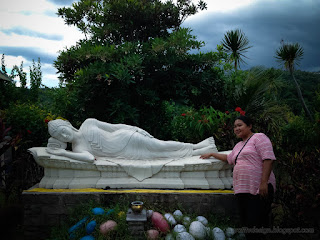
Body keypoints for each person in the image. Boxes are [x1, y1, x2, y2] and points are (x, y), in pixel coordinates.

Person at [200, 115, 276, 235]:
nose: (236, 129)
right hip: (242, 190)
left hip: (258, 189)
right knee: (246, 223)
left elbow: (268, 158)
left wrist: (263, 182)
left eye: (240, 125)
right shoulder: (238, 145)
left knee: (256, 224)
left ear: (249, 126)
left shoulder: (259, 137)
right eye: (235, 126)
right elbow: (229, 158)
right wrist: (213, 154)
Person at [46, 118, 217, 162]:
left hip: (127, 137)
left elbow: (114, 126)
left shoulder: (88, 123)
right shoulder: (77, 149)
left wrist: (134, 128)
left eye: (63, 131)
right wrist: (62, 152)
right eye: (59, 136)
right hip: (125, 152)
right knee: (162, 153)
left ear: (67, 125)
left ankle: (196, 146)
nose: (64, 136)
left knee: (160, 145)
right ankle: (198, 150)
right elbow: (89, 159)